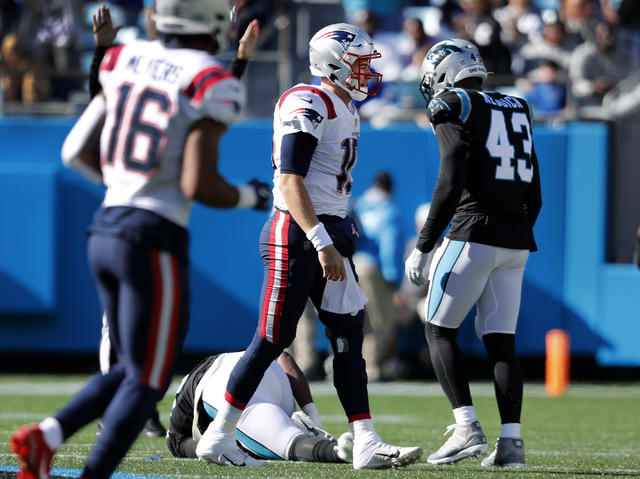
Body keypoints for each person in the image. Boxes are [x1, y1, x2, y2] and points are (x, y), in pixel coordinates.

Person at [9, 1, 271, 478]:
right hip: (152, 237)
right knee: (149, 378)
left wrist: (124, 187)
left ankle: (47, 436)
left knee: (131, 369)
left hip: (106, 228)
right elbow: (199, 183)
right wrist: (250, 198)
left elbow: (73, 152)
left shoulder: (122, 57)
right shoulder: (209, 80)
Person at [193, 22, 423, 470]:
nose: (366, 71)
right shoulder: (308, 101)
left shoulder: (345, 107)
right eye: (359, 61)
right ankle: (218, 436)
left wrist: (332, 237)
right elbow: (289, 179)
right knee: (271, 339)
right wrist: (320, 241)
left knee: (348, 337)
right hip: (297, 235)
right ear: (334, 63)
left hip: (329, 233)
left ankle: (366, 440)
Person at [89, 3, 261, 440]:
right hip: (144, 214)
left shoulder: (129, 58)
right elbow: (203, 102)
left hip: (134, 213)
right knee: (126, 323)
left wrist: (103, 52)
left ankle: (119, 409)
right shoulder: (145, 59)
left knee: (169, 321)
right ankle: (113, 411)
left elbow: (200, 105)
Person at [405, 39, 542, 468]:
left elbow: (449, 178)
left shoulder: (453, 102)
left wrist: (425, 244)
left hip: (472, 231)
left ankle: (466, 427)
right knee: (502, 342)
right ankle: (512, 444)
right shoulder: (517, 105)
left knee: (438, 328)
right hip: (517, 238)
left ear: (443, 74)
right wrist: (512, 228)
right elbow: (534, 191)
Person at [167, 350, 348, 463]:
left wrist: (237, 447)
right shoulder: (220, 360)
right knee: (286, 441)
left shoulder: (183, 411)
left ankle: (343, 452)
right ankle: (313, 427)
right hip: (267, 371)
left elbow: (176, 442)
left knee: (292, 446)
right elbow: (283, 357)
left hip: (224, 388)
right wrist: (313, 416)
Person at [352, 171, 405, 381]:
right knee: (378, 322)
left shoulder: (358, 205)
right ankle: (369, 369)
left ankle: (349, 366)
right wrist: (392, 277)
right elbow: (389, 245)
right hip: (374, 270)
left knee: (356, 322)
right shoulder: (390, 210)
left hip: (352, 266)